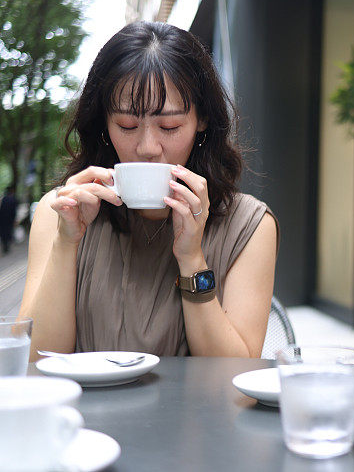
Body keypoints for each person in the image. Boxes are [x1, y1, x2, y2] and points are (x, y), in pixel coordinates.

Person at [20, 21, 278, 358]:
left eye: (169, 126)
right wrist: (66, 242)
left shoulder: (250, 225)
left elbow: (231, 374)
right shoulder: (60, 212)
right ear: (103, 124)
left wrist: (191, 257)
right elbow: (35, 360)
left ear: (201, 120)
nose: (147, 147)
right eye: (127, 125)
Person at [0, 186, 18, 254]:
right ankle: (7, 246)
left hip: (3, 219)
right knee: (8, 232)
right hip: (9, 219)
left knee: (4, 232)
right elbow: (14, 211)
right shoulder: (14, 199)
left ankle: (5, 246)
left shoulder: (4, 199)